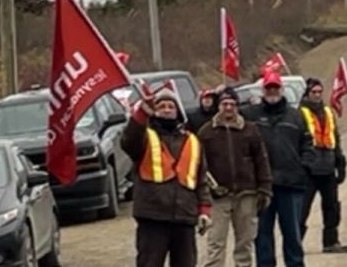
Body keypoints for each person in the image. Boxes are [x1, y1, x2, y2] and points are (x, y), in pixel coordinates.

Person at [121, 83, 212, 267]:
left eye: (171, 106)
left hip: (184, 218)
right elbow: (128, 142)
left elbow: (200, 179)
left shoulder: (192, 141)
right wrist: (140, 115)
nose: (166, 110)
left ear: (178, 111)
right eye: (161, 106)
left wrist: (204, 211)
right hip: (152, 218)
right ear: (154, 111)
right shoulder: (144, 137)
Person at [198, 87, 273, 267]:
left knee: (244, 245)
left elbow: (261, 161)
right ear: (218, 106)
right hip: (218, 198)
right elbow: (199, 166)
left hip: (247, 195)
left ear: (238, 106)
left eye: (232, 104)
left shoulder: (250, 130)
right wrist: (207, 192)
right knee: (215, 244)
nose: (229, 108)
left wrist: (265, 189)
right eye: (224, 104)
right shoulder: (206, 132)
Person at [244, 71, 312, 267]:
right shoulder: (250, 115)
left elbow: (308, 144)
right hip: (261, 188)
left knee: (292, 235)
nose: (272, 91)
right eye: (268, 88)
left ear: (281, 90)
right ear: (263, 90)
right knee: (262, 237)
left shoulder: (296, 116)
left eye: (275, 88)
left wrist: (304, 168)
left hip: (291, 186)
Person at [298, 78, 347, 254]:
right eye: (314, 92)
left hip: (328, 167)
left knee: (332, 207)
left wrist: (340, 162)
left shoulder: (328, 112)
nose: (318, 95)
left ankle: (331, 242)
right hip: (308, 170)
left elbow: (335, 138)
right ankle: (295, 243)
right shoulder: (299, 114)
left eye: (320, 92)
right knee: (301, 209)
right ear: (307, 93)